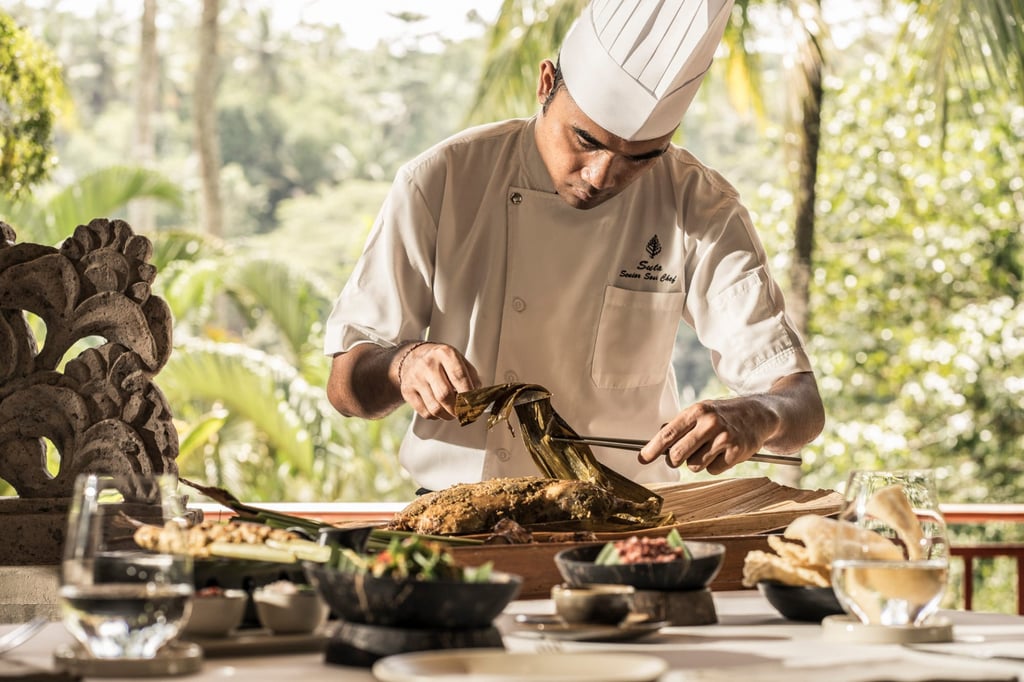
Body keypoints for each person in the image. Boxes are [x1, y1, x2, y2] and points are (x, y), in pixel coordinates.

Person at [324, 0, 825, 494]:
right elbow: (346, 388)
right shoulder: (443, 180)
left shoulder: (699, 203)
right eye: (587, 139)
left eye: (642, 157)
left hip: (627, 525)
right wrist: (402, 363)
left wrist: (760, 413)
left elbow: (801, 401)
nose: (603, 176)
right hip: (462, 518)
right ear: (545, 84)